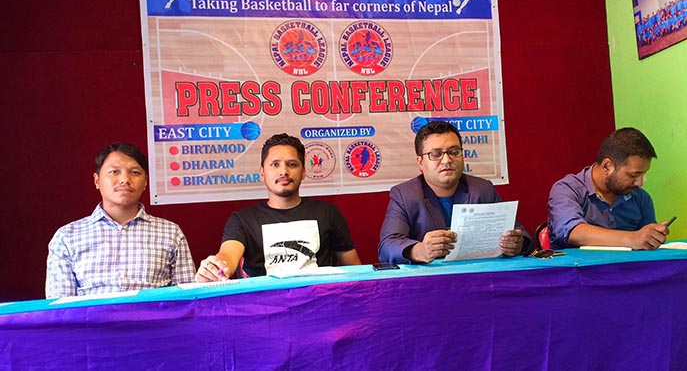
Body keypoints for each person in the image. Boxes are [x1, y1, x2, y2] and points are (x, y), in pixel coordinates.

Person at [195, 133, 361, 282]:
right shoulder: (242, 220)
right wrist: (215, 268)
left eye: (292, 164)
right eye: (275, 164)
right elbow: (227, 256)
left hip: (320, 303)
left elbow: (356, 271)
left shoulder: (328, 213)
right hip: (264, 305)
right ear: (262, 172)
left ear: (304, 171)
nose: (284, 171)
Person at [45, 142, 195, 298]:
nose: (124, 179)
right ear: (97, 180)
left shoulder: (171, 233)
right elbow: (60, 307)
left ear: (145, 182)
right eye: (114, 172)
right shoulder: (67, 237)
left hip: (153, 315)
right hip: (93, 316)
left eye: (135, 172)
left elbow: (188, 299)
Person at [379, 121, 532, 264]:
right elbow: (387, 246)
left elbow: (521, 235)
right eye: (436, 154)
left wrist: (516, 244)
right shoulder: (404, 195)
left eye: (454, 151)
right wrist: (420, 251)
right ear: (420, 162)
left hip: (478, 274)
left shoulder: (482, 189)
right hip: (429, 279)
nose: (447, 160)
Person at [547, 127, 671, 250]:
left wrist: (652, 237)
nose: (640, 183)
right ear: (607, 166)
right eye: (633, 175)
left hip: (628, 263)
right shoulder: (567, 190)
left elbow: (646, 242)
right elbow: (573, 232)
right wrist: (632, 238)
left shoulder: (641, 198)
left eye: (644, 173)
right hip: (579, 263)